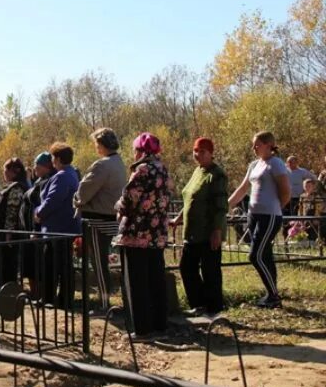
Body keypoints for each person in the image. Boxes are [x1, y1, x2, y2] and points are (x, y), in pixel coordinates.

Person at [113, 132, 172, 341]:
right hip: (157, 235)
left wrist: (118, 207)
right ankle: (160, 325)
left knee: (136, 281)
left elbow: (128, 200)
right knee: (156, 279)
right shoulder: (163, 169)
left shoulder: (142, 170)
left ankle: (142, 329)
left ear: (141, 150)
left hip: (137, 233)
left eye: (135, 149)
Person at [228, 131, 290, 308]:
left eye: (257, 144)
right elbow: (242, 189)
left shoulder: (276, 163)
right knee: (266, 256)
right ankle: (272, 294)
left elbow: (285, 191)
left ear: (268, 145)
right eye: (253, 144)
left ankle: (274, 295)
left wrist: (276, 207)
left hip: (269, 216)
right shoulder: (254, 165)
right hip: (253, 215)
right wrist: (226, 205)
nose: (254, 148)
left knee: (255, 255)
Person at [171, 137, 228, 317]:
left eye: (202, 151)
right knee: (187, 268)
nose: (198, 155)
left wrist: (217, 231)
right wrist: (178, 219)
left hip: (208, 231)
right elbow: (190, 198)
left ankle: (215, 309)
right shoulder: (197, 171)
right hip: (192, 232)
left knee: (210, 271)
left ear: (211, 153)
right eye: (195, 151)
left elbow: (220, 206)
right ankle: (199, 304)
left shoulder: (217, 175)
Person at [73, 128, 127, 310]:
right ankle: (105, 300)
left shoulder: (102, 165)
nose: (96, 147)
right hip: (110, 217)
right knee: (101, 259)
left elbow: (84, 191)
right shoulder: (119, 162)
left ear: (102, 144)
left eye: (97, 143)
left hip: (97, 220)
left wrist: (77, 200)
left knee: (98, 261)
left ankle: (104, 303)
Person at [35, 143, 81, 306]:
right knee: (62, 265)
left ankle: (53, 299)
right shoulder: (71, 173)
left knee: (53, 265)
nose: (52, 161)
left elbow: (52, 200)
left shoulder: (62, 176)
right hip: (64, 227)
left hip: (58, 228)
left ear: (59, 159)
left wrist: (38, 213)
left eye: (54, 157)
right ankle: (61, 299)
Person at [20, 152, 56, 298]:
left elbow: (41, 205)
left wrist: (36, 229)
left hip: (39, 230)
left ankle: (41, 293)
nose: (35, 168)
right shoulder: (39, 180)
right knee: (30, 262)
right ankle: (35, 292)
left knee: (38, 263)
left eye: (37, 166)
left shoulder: (49, 181)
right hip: (30, 229)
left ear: (46, 167)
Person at [0, 158, 30, 288]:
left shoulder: (17, 188)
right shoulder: (13, 186)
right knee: (2, 263)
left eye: (5, 170)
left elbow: (12, 211)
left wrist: (9, 232)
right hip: (2, 232)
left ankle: (7, 290)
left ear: (13, 172)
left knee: (7, 264)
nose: (4, 173)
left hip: (8, 234)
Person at [284, 156, 314, 235]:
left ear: (297, 163)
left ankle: (300, 235)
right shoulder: (284, 171)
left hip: (299, 199)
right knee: (287, 220)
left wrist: (309, 188)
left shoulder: (302, 171)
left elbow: (313, 178)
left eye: (293, 162)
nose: (291, 164)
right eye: (290, 162)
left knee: (298, 218)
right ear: (287, 163)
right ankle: (287, 237)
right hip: (287, 199)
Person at [298, 178, 323, 245]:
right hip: (305, 216)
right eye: (306, 186)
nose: (308, 188)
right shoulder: (302, 196)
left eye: (309, 186)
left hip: (314, 216)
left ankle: (314, 243)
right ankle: (305, 244)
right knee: (305, 231)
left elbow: (319, 207)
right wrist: (300, 218)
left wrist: (316, 217)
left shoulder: (316, 196)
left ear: (313, 187)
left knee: (313, 231)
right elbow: (300, 208)